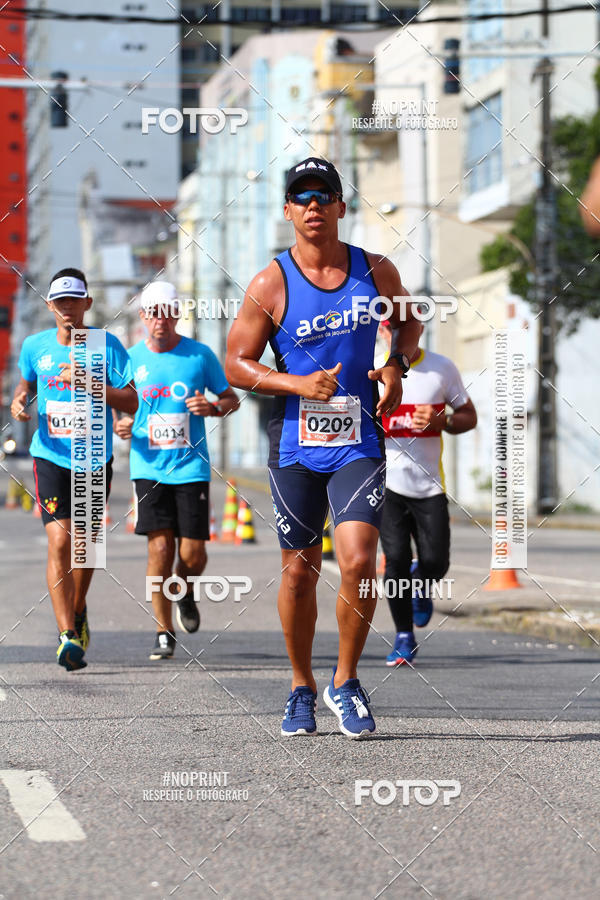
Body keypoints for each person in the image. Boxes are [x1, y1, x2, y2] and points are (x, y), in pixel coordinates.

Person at [225, 157, 420, 739]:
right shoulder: (271, 282)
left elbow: (409, 324)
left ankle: (346, 680)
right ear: (288, 210)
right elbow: (236, 362)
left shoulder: (375, 270)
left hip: (359, 438)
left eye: (323, 195)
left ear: (340, 206)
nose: (313, 205)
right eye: (301, 197)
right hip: (295, 445)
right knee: (300, 574)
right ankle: (300, 687)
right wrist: (296, 383)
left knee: (359, 559)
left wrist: (394, 365)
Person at [11, 268, 137, 671]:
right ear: (50, 305)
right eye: (60, 301)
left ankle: (78, 610)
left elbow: (132, 401)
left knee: (86, 548)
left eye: (74, 300)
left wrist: (88, 383)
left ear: (88, 303)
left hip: (93, 456)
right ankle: (67, 634)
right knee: (61, 542)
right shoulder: (35, 345)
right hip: (49, 455)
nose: (67, 308)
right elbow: (25, 384)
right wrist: (19, 401)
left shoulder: (106, 345)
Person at [114, 282, 239, 660]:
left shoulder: (199, 356)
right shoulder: (129, 358)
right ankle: (163, 631)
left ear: (177, 315)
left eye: (167, 313)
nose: (160, 321)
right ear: (143, 317)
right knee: (160, 548)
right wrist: (121, 422)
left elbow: (230, 398)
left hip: (191, 468)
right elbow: (120, 404)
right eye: (153, 313)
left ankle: (184, 588)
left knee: (194, 553)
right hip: (148, 467)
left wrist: (212, 407)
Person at [379, 321, 477, 665]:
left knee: (436, 561)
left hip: (430, 486)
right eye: (389, 329)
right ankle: (403, 637)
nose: (395, 336)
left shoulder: (441, 368)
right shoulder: (372, 369)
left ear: (417, 331)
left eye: (404, 328)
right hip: (386, 484)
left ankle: (422, 582)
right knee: (395, 564)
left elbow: (468, 416)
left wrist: (442, 422)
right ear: (381, 332)